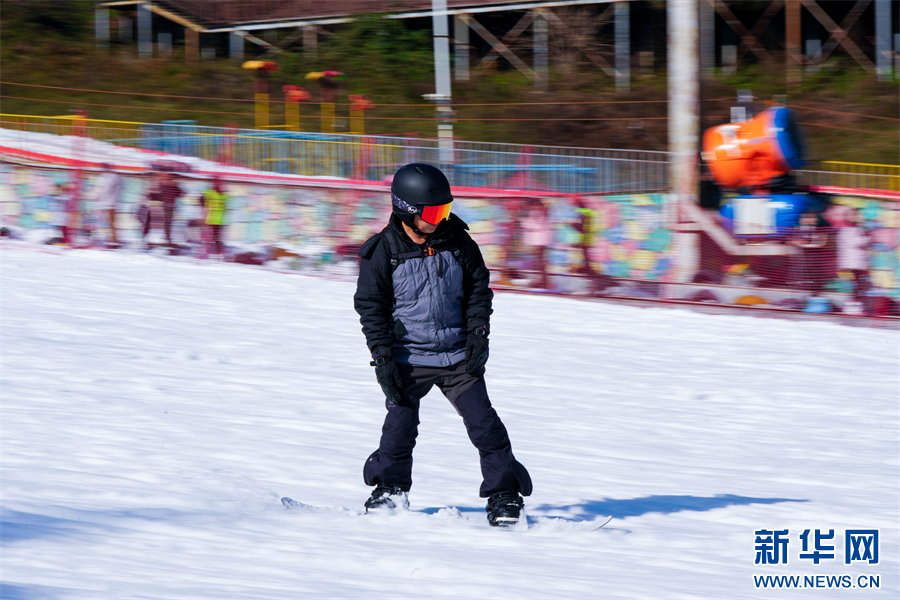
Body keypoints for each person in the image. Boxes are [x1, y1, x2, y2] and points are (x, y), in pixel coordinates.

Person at [354, 163, 532, 527]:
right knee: (399, 428)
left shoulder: (459, 242)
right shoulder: (383, 250)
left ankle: (504, 494)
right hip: (407, 357)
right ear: (407, 210)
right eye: (434, 213)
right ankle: (390, 489)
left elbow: (478, 290)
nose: (441, 220)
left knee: (485, 425)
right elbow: (371, 307)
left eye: (445, 210)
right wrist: (382, 356)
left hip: (456, 357)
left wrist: (478, 332)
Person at [95, 164, 124, 247]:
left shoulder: (111, 177)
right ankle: (110, 239)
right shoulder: (105, 177)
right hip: (106, 203)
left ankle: (114, 240)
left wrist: (113, 200)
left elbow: (117, 189)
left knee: (110, 223)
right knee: (108, 223)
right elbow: (98, 190)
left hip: (108, 204)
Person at [202, 176, 228, 255]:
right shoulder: (221, 194)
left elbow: (203, 199)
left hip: (215, 219)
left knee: (215, 236)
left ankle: (217, 250)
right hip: (218, 219)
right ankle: (218, 250)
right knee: (216, 236)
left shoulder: (211, 193)